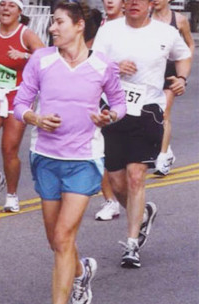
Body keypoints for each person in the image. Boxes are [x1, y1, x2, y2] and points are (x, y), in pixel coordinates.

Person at [13, 0, 126, 304]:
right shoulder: (41, 60)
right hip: (45, 158)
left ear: (79, 26)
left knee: (63, 236)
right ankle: (81, 270)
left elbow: (119, 103)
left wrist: (110, 117)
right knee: (55, 240)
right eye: (52, 23)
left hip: (83, 160)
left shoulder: (102, 66)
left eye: (59, 22)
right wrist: (35, 118)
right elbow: (20, 103)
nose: (53, 28)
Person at [93, 0, 192, 268]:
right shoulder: (109, 30)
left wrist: (181, 78)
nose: (134, 2)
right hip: (113, 108)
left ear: (151, 3)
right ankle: (142, 213)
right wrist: (114, 67)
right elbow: (93, 63)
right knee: (116, 183)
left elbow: (183, 55)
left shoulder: (166, 33)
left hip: (148, 110)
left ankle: (131, 244)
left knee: (136, 177)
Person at [0, 0, 45, 211]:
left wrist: (24, 55)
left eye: (11, 5)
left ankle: (12, 195)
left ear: (20, 11)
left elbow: (46, 57)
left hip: (17, 97)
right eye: (2, 4)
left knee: (9, 149)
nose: (6, 8)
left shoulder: (26, 34)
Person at [151, 0, 195, 176]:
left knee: (163, 113)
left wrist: (184, 64)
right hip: (152, 73)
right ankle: (167, 149)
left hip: (171, 73)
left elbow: (190, 43)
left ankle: (162, 158)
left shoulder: (180, 20)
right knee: (150, 115)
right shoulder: (146, 18)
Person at [94, 0, 125, 221]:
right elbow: (91, 57)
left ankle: (133, 201)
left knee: (128, 166)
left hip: (134, 99)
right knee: (102, 151)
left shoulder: (135, 27)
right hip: (104, 98)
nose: (109, 1)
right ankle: (110, 201)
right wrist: (115, 67)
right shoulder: (101, 26)